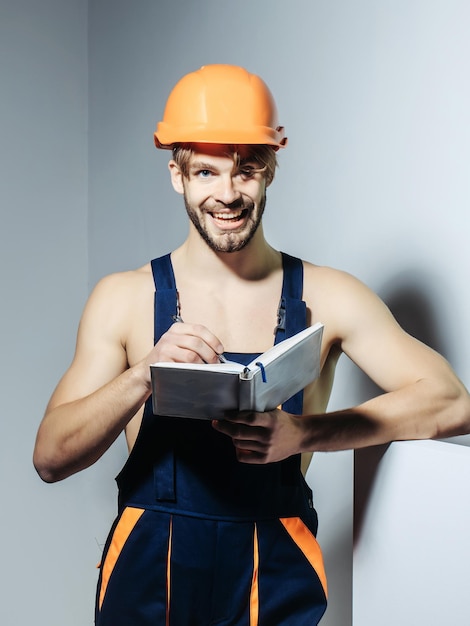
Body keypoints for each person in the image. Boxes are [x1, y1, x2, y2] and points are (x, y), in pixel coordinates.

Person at [33, 64, 470, 625]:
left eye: (247, 170)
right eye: (207, 173)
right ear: (177, 176)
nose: (228, 194)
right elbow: (49, 456)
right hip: (150, 573)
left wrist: (304, 434)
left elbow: (452, 402)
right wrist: (143, 373)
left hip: (274, 569)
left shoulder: (329, 296)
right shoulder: (124, 299)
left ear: (271, 171)